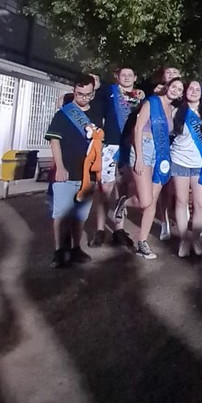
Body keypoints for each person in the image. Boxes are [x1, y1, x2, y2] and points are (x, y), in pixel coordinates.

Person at [45, 74, 104, 268]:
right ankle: (59, 251)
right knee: (61, 214)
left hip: (88, 175)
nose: (83, 98)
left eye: (87, 94)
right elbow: (55, 141)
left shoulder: (96, 116)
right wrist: (60, 167)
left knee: (80, 215)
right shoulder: (63, 114)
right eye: (80, 94)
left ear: (93, 94)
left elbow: (98, 146)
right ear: (73, 91)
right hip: (66, 172)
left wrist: (97, 171)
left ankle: (76, 248)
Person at [130, 77, 184, 259]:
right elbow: (138, 128)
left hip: (160, 154)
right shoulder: (152, 102)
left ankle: (142, 242)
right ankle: (123, 203)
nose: (175, 90)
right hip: (144, 149)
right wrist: (139, 157)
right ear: (167, 86)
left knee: (152, 202)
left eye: (179, 89)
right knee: (145, 201)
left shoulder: (173, 110)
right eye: (174, 86)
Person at [91, 66, 143, 248]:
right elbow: (94, 110)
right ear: (117, 77)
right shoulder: (108, 91)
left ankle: (119, 230)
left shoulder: (140, 97)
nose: (127, 77)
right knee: (104, 188)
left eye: (130, 75)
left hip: (129, 146)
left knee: (123, 189)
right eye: (123, 75)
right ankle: (100, 229)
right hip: (110, 145)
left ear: (135, 77)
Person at [171, 81, 202, 257]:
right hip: (179, 160)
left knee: (199, 203)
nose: (193, 91)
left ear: (201, 93)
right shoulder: (176, 111)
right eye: (190, 89)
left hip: (201, 162)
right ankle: (184, 239)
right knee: (181, 201)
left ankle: (196, 238)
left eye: (197, 89)